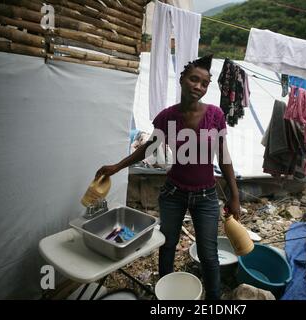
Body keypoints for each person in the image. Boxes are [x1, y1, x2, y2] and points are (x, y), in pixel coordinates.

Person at [95, 54, 240, 300]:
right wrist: (116, 167)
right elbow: (147, 148)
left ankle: (214, 300)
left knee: (208, 252)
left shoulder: (215, 115)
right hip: (174, 193)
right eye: (194, 79)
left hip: (206, 196)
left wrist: (234, 196)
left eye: (204, 84)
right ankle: (166, 295)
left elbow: (224, 157)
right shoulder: (167, 117)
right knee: (167, 245)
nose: (198, 86)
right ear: (182, 79)